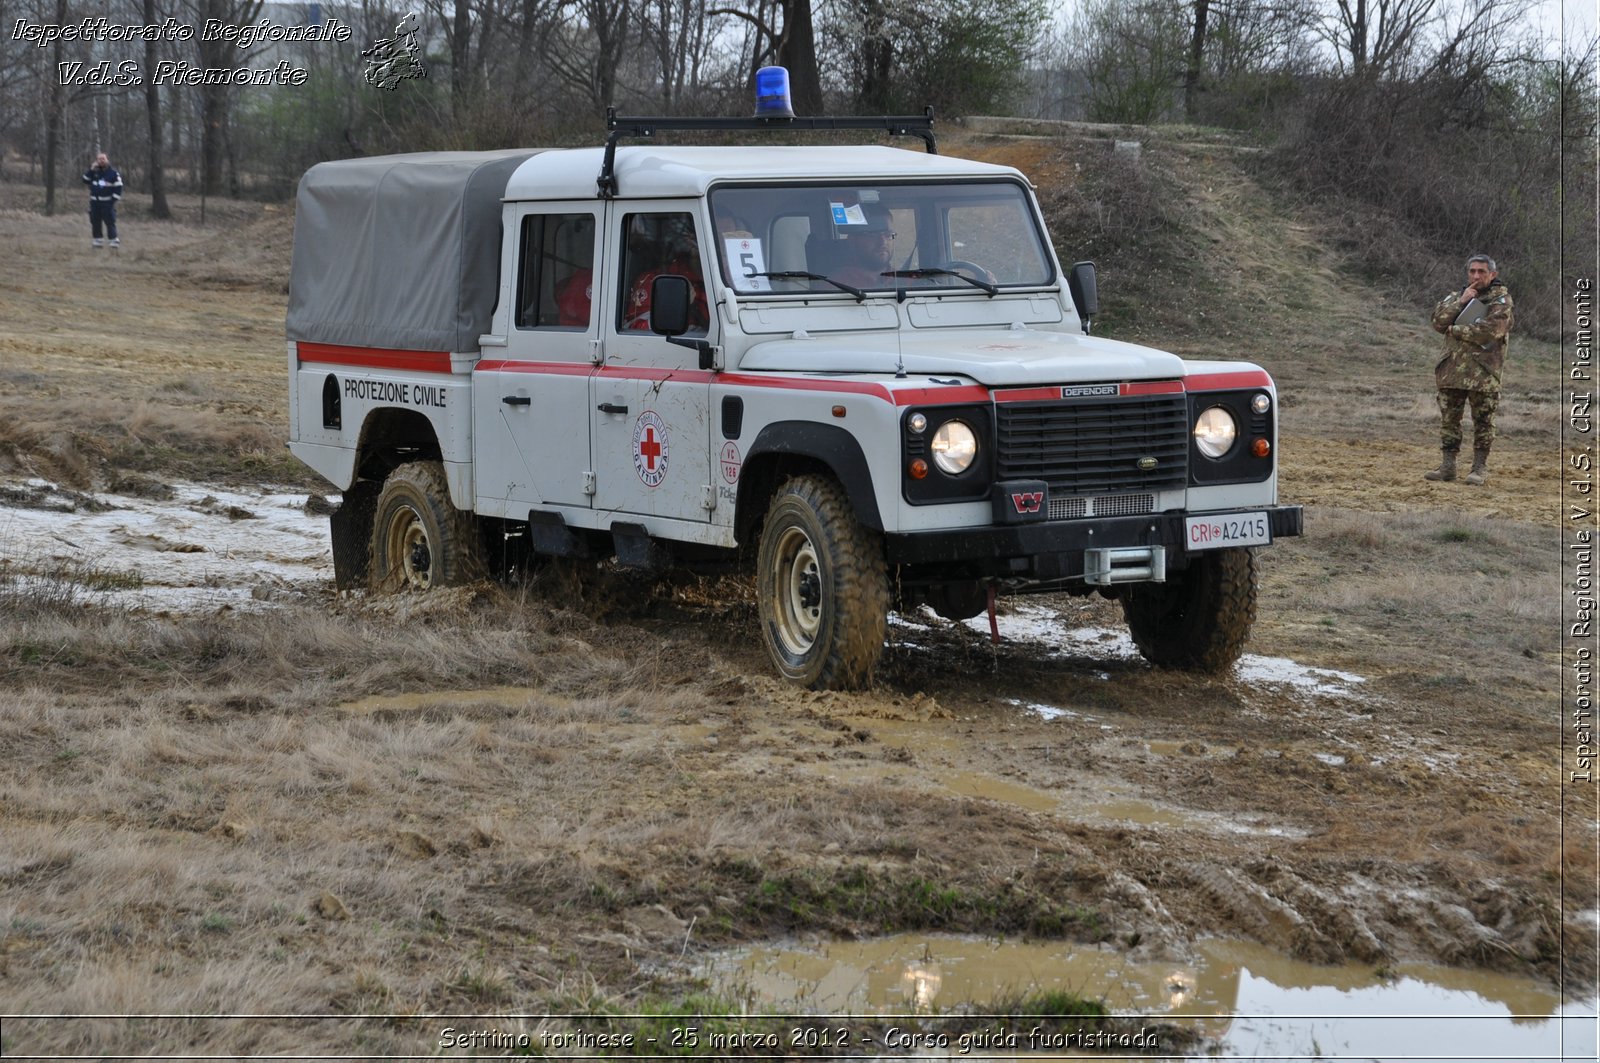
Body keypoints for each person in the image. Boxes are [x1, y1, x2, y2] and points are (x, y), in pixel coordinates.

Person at [1423, 254, 1514, 485]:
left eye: (1482, 271)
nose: (1476, 276)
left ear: (1492, 274)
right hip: (1451, 370)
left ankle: (1479, 468)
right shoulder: (1457, 296)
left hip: (1483, 373)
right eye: (1472, 271)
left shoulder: (1501, 300)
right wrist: (1461, 302)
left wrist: (1455, 330)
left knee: (1483, 422)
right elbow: (1437, 322)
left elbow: (1490, 331)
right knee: (1449, 421)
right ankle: (1448, 467)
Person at [623, 219, 708, 332]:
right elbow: (634, 330)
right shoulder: (654, 280)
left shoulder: (730, 283)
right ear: (692, 243)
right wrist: (674, 308)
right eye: (717, 241)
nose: (723, 249)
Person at [832, 208, 894, 288]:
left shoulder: (907, 281)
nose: (883, 242)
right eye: (872, 235)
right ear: (852, 240)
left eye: (888, 235)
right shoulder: (836, 283)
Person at [82, 152, 123, 250]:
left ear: (107, 160)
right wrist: (91, 170)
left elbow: (119, 186)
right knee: (95, 221)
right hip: (94, 202)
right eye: (99, 159)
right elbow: (85, 180)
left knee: (109, 221)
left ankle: (113, 240)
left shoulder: (113, 173)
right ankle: (97, 240)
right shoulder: (94, 172)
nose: (101, 161)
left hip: (107, 202)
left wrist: (113, 199)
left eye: (103, 159)